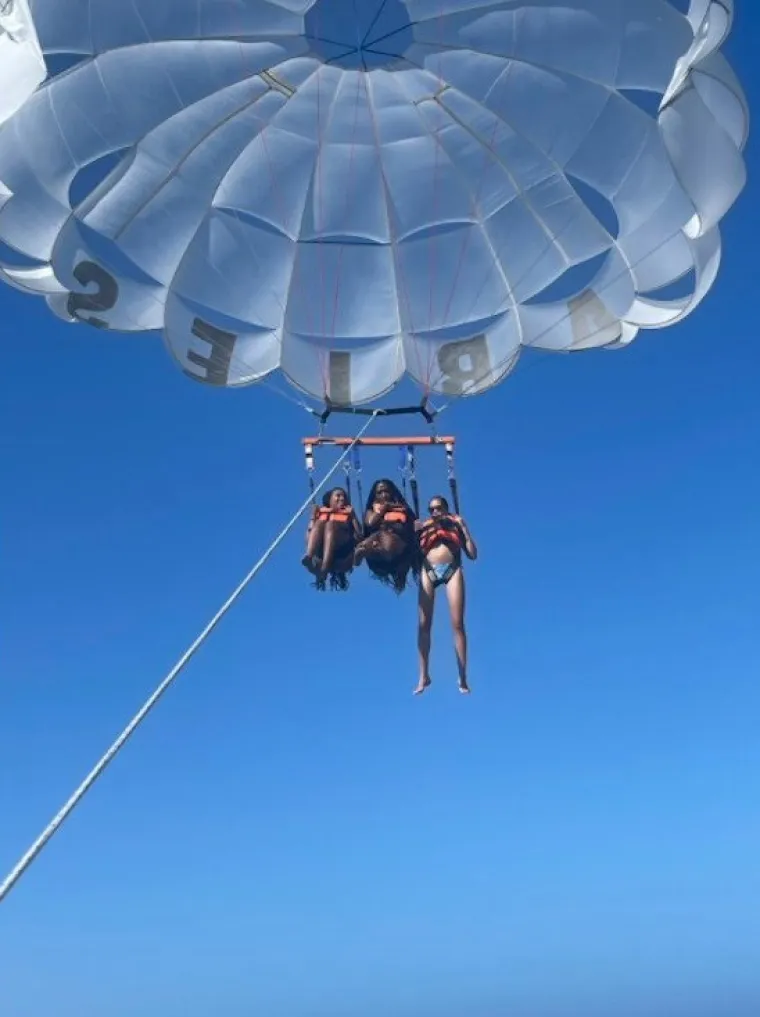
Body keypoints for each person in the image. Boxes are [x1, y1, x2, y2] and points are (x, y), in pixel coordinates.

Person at [414, 495, 477, 695]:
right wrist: (412, 532)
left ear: (446, 509)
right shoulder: (424, 526)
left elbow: (473, 555)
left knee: (457, 624)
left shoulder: (455, 524)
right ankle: (424, 676)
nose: (435, 512)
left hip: (452, 569)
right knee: (424, 625)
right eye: (431, 509)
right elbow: (413, 552)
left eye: (439, 508)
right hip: (428, 570)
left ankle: (463, 676)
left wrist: (465, 530)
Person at [353, 478, 420, 594]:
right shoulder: (370, 511)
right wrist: (384, 509)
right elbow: (370, 523)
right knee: (368, 542)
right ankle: (363, 551)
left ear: (392, 493)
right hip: (376, 542)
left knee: (386, 539)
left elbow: (410, 529)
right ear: (375, 496)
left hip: (398, 544)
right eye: (379, 492)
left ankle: (376, 550)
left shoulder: (403, 509)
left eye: (387, 491)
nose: (384, 495)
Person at [302, 486, 362, 591]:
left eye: (344, 496)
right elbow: (309, 533)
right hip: (321, 550)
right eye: (338, 495)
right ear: (329, 500)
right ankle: (309, 557)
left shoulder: (348, 513)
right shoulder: (321, 513)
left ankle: (324, 568)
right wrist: (313, 517)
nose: (342, 498)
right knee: (321, 522)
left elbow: (360, 535)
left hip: (343, 551)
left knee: (330, 525)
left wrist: (353, 516)